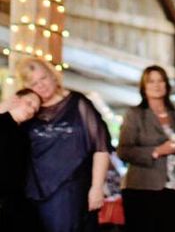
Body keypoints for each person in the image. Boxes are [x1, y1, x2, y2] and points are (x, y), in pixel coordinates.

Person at [17, 55, 111, 232]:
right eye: (34, 84)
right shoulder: (28, 111)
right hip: (34, 192)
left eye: (43, 78)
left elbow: (101, 147)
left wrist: (97, 187)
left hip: (73, 189)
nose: (41, 85)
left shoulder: (79, 103)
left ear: (53, 75)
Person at [117, 64, 175, 232]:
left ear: (167, 85)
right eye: (151, 81)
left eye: (160, 81)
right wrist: (157, 151)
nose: (156, 85)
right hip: (142, 189)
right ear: (144, 87)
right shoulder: (135, 114)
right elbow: (123, 150)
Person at [0, 88, 41, 231]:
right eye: (29, 103)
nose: (31, 110)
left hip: (12, 201)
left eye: (35, 109)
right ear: (16, 98)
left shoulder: (24, 135)